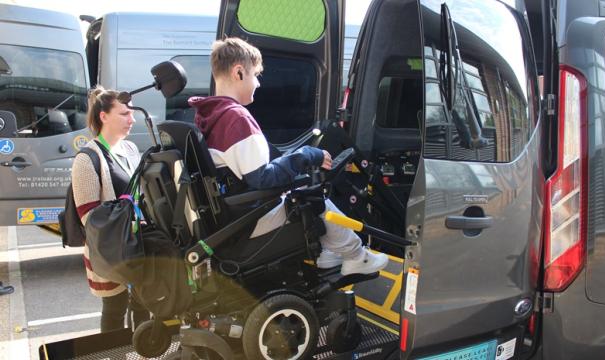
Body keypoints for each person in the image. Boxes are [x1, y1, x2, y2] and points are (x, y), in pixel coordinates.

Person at [188, 38, 389, 276]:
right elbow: (262, 179)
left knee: (302, 192)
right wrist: (306, 155)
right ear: (239, 72)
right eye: (256, 75)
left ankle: (330, 254)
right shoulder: (236, 118)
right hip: (247, 221)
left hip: (230, 217)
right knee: (313, 198)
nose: (258, 84)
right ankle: (357, 256)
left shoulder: (210, 117)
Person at [71, 86, 149, 332]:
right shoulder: (86, 159)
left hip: (138, 246)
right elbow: (89, 218)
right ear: (103, 116)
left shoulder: (131, 150)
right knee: (115, 310)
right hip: (110, 250)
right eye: (125, 113)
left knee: (144, 306)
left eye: (132, 113)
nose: (132, 119)